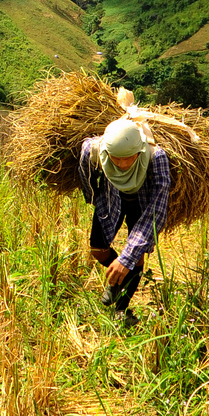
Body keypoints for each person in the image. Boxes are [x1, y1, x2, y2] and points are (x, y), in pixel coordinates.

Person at [77, 116, 170, 329]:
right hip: (111, 199)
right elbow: (85, 174)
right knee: (97, 249)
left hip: (143, 204)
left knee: (134, 257)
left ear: (139, 150)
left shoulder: (157, 158)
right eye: (116, 158)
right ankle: (119, 279)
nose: (122, 164)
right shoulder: (93, 150)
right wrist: (92, 196)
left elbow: (157, 210)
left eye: (129, 157)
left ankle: (121, 308)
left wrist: (127, 258)